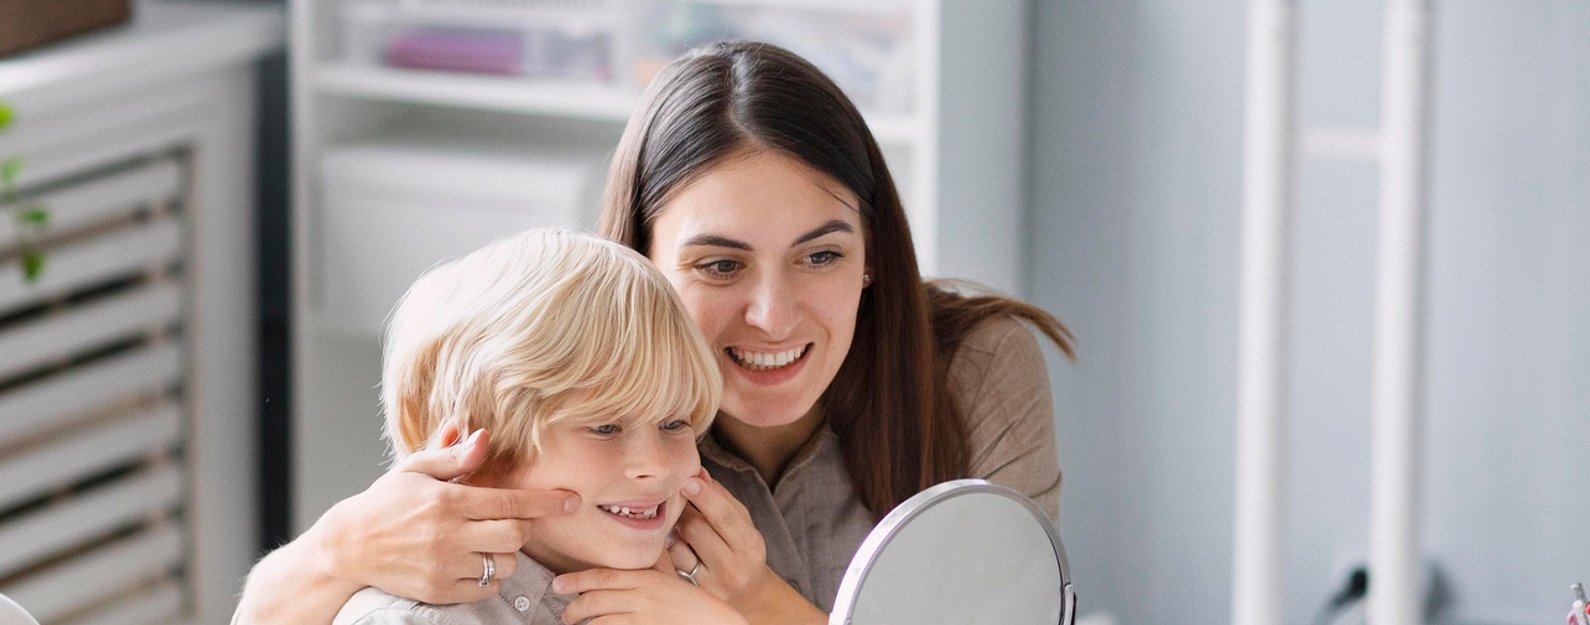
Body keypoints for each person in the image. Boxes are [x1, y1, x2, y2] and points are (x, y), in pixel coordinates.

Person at [234, 40, 1074, 625]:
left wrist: (755, 606)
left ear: (873, 255)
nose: (773, 314)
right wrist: (339, 549)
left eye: (820, 254)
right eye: (719, 265)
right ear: (638, 262)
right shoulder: (584, 438)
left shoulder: (972, 369)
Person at [334, 228, 738, 625]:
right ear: (471, 455)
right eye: (604, 427)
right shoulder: (409, 620)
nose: (657, 465)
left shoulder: (697, 599)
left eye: (674, 423)